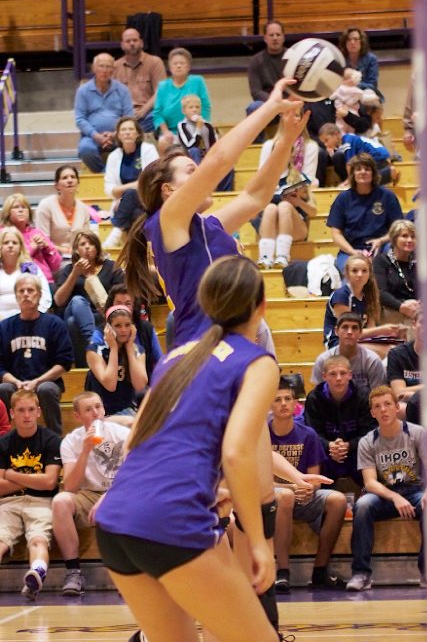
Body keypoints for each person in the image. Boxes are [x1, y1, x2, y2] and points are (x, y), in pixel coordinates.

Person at [94, 256, 282, 642]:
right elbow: (236, 453)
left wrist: (205, 487)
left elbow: (134, 439)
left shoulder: (175, 356)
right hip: (170, 520)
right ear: (261, 306)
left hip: (116, 520)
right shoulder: (257, 361)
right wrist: (259, 543)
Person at [119, 77, 306, 348]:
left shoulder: (207, 225)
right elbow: (218, 161)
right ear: (168, 190)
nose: (201, 177)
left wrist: (286, 140)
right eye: (192, 172)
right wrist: (271, 108)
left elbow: (256, 196)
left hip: (241, 336)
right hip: (204, 343)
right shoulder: (167, 221)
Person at [346, 385, 427, 591]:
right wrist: (395, 498)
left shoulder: (417, 433)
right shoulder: (367, 442)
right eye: (377, 406)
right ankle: (361, 573)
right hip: (384, 494)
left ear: (397, 407)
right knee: (362, 505)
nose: (383, 410)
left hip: (415, 491)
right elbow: (370, 483)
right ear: (372, 413)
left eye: (387, 404)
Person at [269, 377, 346, 592]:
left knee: (338, 500)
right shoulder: (261, 435)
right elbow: (259, 482)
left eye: (288, 399)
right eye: (278, 400)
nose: (284, 404)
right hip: (271, 498)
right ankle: (282, 571)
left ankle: (320, 570)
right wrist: (293, 489)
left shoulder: (308, 434)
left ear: (296, 404)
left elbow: (314, 479)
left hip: (303, 495)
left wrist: (307, 489)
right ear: (269, 405)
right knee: (285, 496)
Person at [52, 391, 129, 595]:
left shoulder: (122, 434)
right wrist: (85, 451)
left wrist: (109, 496)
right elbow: (70, 486)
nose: (95, 413)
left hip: (120, 491)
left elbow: (133, 475)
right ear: (77, 416)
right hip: (89, 494)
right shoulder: (71, 441)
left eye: (98, 407)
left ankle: (129, 574)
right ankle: (74, 572)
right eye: (88, 409)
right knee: (60, 501)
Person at [0, 389, 62, 600]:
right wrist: (34, 479)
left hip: (41, 501)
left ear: (38, 412)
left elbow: (50, 482)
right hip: (9, 502)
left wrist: (12, 475)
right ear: (12, 413)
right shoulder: (3, 443)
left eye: (30, 409)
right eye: (21, 410)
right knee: (1, 539)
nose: (26, 415)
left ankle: (37, 573)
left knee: (38, 539)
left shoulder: (52, 440)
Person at [0, 274, 74, 435]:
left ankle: (56, 440)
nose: (26, 294)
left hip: (46, 382)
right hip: (14, 384)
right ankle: (5, 440)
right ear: (16, 296)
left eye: (30, 290)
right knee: (3, 388)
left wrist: (37, 381)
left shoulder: (55, 324)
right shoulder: (4, 327)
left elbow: (65, 362)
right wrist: (16, 382)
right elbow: (0, 367)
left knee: (46, 389)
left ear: (40, 294)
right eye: (21, 291)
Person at [256, 110, 318, 269]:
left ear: (291, 155)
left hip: (296, 227)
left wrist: (297, 201)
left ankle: (283, 256)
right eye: (277, 152)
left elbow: (313, 211)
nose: (280, 155)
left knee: (284, 205)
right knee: (270, 208)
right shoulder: (264, 179)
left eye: (284, 152)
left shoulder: (299, 177)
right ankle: (265, 257)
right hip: (270, 226)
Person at [326, 152, 404, 274]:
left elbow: (398, 229)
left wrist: (381, 240)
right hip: (350, 250)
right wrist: (353, 252)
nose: (363, 172)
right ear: (353, 174)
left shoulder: (387, 196)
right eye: (358, 169)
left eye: (367, 169)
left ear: (373, 173)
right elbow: (336, 234)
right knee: (354, 272)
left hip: (382, 247)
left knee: (392, 260)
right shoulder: (343, 199)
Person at [304, 356, 377, 485]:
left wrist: (349, 445)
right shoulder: (314, 398)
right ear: (324, 376)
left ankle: (369, 490)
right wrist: (329, 445)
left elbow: (370, 431)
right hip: (327, 452)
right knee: (314, 454)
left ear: (350, 375)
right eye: (333, 374)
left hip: (356, 451)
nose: (338, 378)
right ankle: (320, 493)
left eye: (343, 373)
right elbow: (312, 432)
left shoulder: (364, 396)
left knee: (368, 451)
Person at [54, 231, 124, 363]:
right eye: (82, 244)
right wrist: (75, 274)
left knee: (73, 323)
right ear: (76, 250)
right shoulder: (69, 270)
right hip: (74, 310)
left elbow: (122, 295)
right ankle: (94, 343)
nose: (87, 247)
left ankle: (88, 359)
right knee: (77, 300)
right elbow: (59, 301)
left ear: (97, 248)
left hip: (103, 313)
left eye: (91, 243)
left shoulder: (111, 267)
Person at [323, 253, 405, 352]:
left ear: (370, 274)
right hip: (338, 343)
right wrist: (383, 330)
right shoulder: (342, 295)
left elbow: (371, 329)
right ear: (347, 274)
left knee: (398, 347)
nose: (360, 275)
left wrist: (392, 333)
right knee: (388, 351)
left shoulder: (368, 295)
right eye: (354, 271)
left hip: (359, 340)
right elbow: (348, 332)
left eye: (364, 271)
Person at [103, 116, 159, 248]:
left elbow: (152, 180)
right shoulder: (113, 156)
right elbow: (109, 189)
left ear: (138, 133)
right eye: (123, 130)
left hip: (147, 200)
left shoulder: (148, 149)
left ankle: (115, 235)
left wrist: (125, 192)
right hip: (127, 207)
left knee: (130, 194)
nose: (127, 132)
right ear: (118, 135)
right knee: (136, 215)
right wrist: (134, 186)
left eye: (131, 129)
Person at [85, 305, 147, 423]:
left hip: (128, 410)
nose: (123, 330)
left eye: (127, 325)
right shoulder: (95, 350)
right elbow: (110, 385)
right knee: (131, 423)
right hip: (100, 415)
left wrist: (129, 348)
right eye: (118, 326)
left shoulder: (137, 350)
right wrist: (113, 348)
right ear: (108, 328)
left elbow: (140, 385)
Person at [74, 53, 134, 173]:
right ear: (94, 68)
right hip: (92, 137)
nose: (105, 70)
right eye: (101, 66)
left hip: (119, 136)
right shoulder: (83, 91)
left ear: (113, 69)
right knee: (85, 149)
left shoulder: (122, 90)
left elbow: (129, 116)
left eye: (108, 67)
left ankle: (109, 173)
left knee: (130, 146)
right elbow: (80, 119)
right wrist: (96, 136)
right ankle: (104, 172)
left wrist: (115, 134)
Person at [153, 47, 211, 150]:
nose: (178, 66)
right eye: (175, 63)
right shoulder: (163, 86)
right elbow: (157, 113)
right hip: (172, 132)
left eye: (182, 63)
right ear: (170, 67)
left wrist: (200, 126)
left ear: (188, 67)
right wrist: (166, 132)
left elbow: (206, 107)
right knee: (163, 142)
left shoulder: (197, 81)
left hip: (194, 128)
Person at [312, 312, 386, 393]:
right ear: (336, 331)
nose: (350, 332)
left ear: (360, 333)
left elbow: (378, 396)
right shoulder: (323, 360)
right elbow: (318, 395)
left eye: (354, 328)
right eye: (345, 327)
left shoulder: (372, 361)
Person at [103, 284, 162, 384]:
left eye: (128, 304)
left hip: (144, 387)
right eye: (118, 303)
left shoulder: (146, 328)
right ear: (111, 305)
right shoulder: (100, 332)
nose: (122, 307)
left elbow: (159, 361)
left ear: (134, 306)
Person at [1, 193, 62, 288]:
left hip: (45, 282)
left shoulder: (37, 232)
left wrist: (47, 247)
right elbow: (9, 260)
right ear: (7, 213)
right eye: (16, 207)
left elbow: (56, 265)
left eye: (24, 207)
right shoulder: (3, 234)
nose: (20, 210)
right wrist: (32, 248)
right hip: (17, 283)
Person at [113, 28, 166, 133]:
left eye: (135, 40)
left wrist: (143, 111)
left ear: (141, 43)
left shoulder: (155, 62)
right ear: (122, 45)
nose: (132, 43)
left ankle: (124, 132)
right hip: (124, 115)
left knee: (159, 117)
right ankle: (129, 130)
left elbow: (160, 92)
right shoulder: (115, 66)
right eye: (128, 41)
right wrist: (125, 116)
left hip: (148, 114)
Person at [34, 165, 92, 257]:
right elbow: (43, 240)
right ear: (57, 186)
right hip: (51, 257)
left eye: (73, 177)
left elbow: (86, 238)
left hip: (78, 257)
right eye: (65, 178)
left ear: (78, 183)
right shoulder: (45, 205)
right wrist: (63, 250)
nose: (70, 180)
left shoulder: (84, 208)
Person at [373, 219, 420, 323]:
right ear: (394, 239)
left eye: (413, 237)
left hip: (417, 313)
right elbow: (380, 293)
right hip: (392, 312)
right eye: (404, 236)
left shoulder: (419, 262)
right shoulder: (381, 261)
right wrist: (401, 307)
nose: (410, 240)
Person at [0, 227, 52, 321]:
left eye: (14, 243)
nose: (10, 245)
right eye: (6, 242)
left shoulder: (31, 268)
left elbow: (46, 297)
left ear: (20, 247)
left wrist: (34, 317)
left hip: (28, 320)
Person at [386, 308, 424, 418]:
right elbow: (399, 393)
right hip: (408, 406)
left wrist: (412, 394)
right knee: (399, 409)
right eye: (422, 322)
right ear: (414, 324)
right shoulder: (397, 354)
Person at [247, 20, 286, 114]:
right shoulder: (255, 61)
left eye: (278, 34)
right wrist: (275, 102)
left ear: (283, 37)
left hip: (291, 101)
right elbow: (256, 92)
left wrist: (288, 102)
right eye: (271, 35)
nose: (275, 38)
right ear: (265, 38)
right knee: (253, 107)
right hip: (268, 104)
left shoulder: (294, 57)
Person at [338, 27, 383, 100]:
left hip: (365, 93)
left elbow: (372, 85)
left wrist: (355, 84)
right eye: (349, 39)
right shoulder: (339, 59)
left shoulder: (371, 59)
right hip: (343, 94)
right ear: (344, 43)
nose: (352, 42)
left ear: (361, 42)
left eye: (356, 39)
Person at [176, 93, 218, 165]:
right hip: (191, 157)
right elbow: (189, 146)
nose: (194, 110)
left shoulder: (207, 126)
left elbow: (214, 145)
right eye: (191, 107)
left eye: (197, 107)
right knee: (195, 150)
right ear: (184, 111)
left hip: (207, 157)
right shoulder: (182, 125)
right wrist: (198, 129)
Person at [330, 68, 364, 133]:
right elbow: (358, 97)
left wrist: (343, 106)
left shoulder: (340, 88)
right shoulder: (356, 91)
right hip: (345, 111)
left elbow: (332, 97)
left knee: (342, 126)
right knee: (345, 127)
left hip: (344, 111)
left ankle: (345, 135)